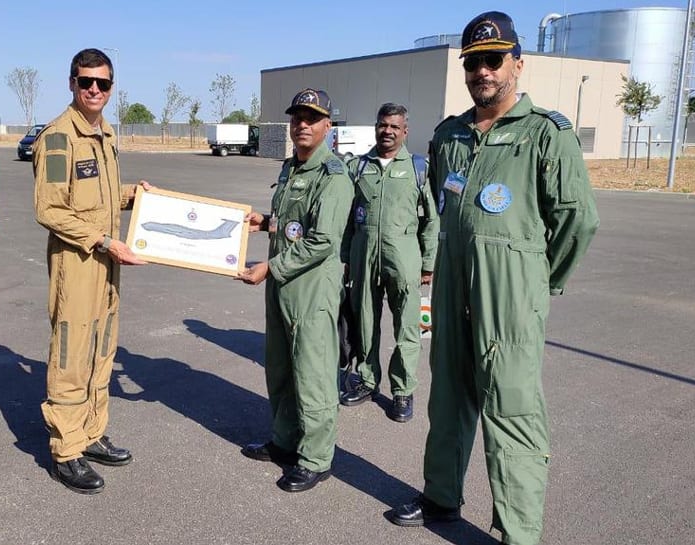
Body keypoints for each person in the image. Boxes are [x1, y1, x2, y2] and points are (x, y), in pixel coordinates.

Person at [387, 12, 599, 545]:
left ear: (518, 64)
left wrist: (534, 281)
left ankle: (518, 532)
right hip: (454, 289)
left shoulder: (546, 135)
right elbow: (439, 206)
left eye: (494, 59)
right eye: (473, 61)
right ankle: (441, 496)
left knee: (512, 411)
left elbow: (577, 219)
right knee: (448, 399)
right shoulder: (449, 136)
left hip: (510, 300)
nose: (483, 70)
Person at [33, 48, 150, 495]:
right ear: (72, 84)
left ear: (112, 87)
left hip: (107, 263)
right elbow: (49, 209)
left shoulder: (105, 135)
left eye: (103, 83)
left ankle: (92, 433)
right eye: (86, 82)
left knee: (102, 347)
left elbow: (99, 198)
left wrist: (135, 195)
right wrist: (103, 241)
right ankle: (66, 450)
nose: (95, 90)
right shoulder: (60, 138)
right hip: (78, 263)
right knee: (71, 352)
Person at [238, 89, 354, 493]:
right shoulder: (291, 169)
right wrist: (265, 222)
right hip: (283, 290)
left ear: (327, 126)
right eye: (297, 117)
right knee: (281, 368)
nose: (302, 124)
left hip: (311, 293)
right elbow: (294, 225)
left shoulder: (333, 176)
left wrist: (271, 267)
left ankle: (317, 458)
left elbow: (322, 240)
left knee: (313, 375)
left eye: (312, 118)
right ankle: (285, 441)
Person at [340, 102, 438, 423]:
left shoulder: (419, 168)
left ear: (405, 131)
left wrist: (428, 263)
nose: (388, 131)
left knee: (407, 327)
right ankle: (368, 380)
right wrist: (345, 258)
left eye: (395, 126)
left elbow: (432, 221)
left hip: (405, 260)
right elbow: (346, 220)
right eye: (383, 125)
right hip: (363, 258)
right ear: (375, 127)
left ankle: (402, 391)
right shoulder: (358, 167)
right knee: (366, 323)